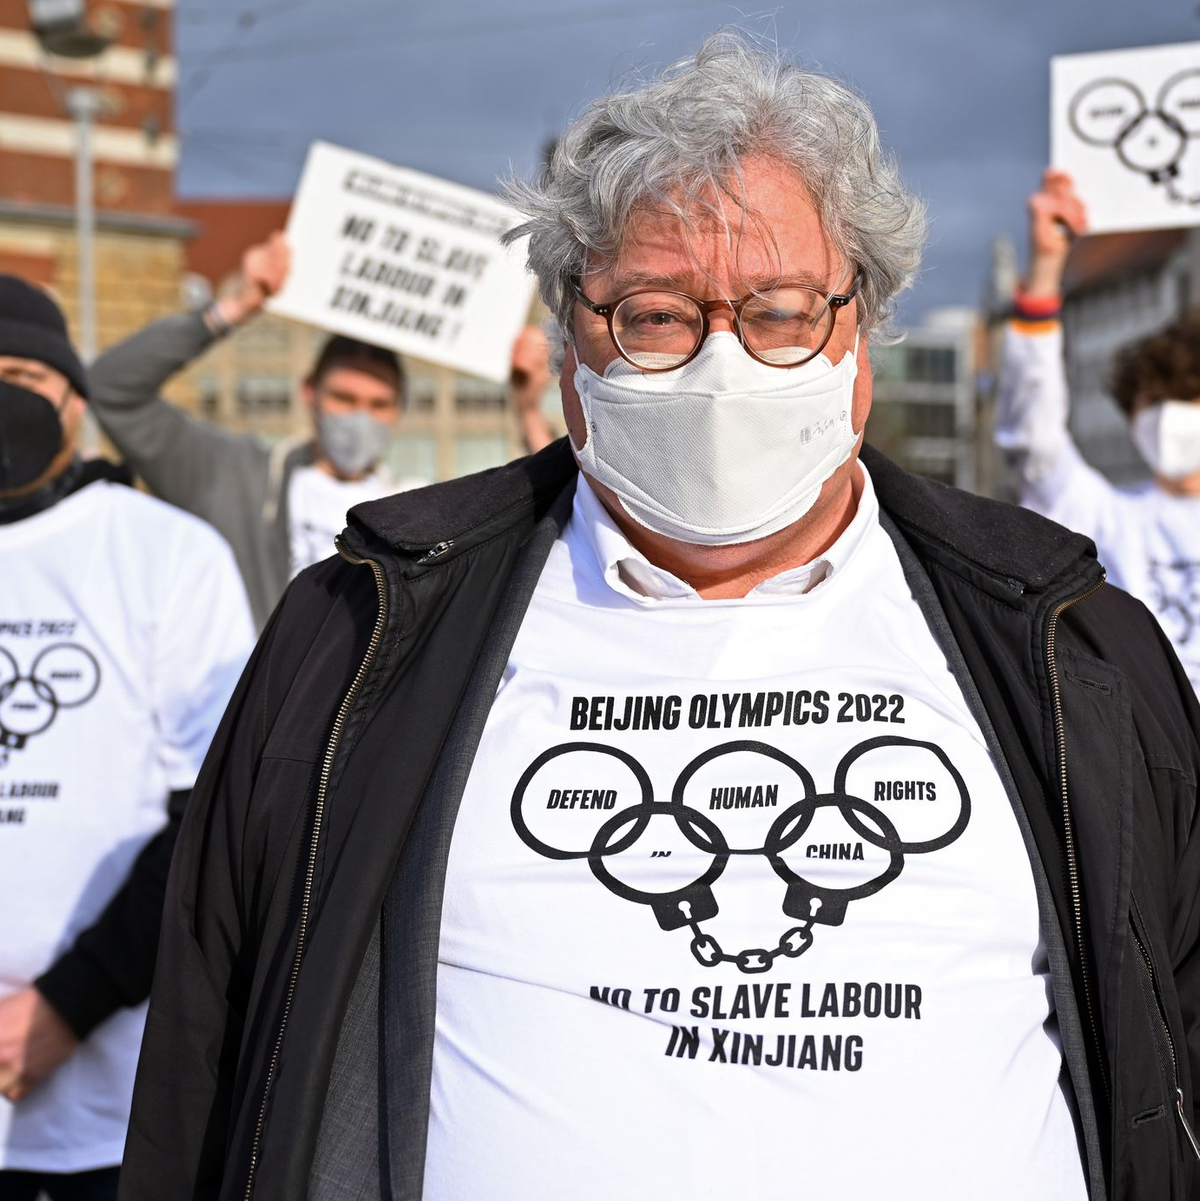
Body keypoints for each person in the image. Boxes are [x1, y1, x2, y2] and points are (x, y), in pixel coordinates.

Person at [120, 34, 1200, 1201]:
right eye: (654, 315)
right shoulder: (360, 630)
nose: (719, 362)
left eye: (781, 312)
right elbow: (208, 1052)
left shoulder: (1068, 643)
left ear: (862, 336)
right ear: (571, 343)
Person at [0, 276, 254, 1199]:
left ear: (73, 396)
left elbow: (216, 818)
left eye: (23, 372)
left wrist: (67, 1006)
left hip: (107, 1112)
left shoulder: (163, 552)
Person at [88, 237, 558, 630]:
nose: (359, 418)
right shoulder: (236, 478)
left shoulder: (422, 507)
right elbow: (111, 389)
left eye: (378, 404)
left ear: (399, 411)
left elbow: (558, 515)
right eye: (343, 399)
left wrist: (526, 410)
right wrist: (233, 308)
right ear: (309, 392)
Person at [995, 168, 1200, 692]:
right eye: (1158, 402)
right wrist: (1046, 269)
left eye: (1191, 401)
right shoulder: (1106, 521)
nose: (1175, 418)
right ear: (1131, 415)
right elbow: (1035, 439)